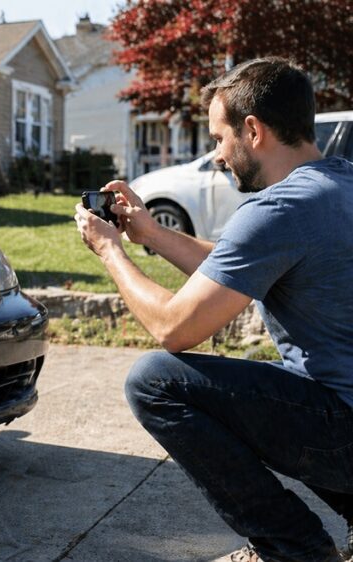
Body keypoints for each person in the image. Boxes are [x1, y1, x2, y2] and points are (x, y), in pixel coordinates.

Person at [74, 57, 353, 562]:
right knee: (290, 384)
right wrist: (150, 233)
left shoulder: (278, 210)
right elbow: (238, 268)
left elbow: (173, 329)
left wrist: (109, 251)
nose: (218, 155)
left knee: (156, 380)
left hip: (346, 433)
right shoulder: (339, 185)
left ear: (253, 130)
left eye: (220, 138)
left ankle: (294, 548)